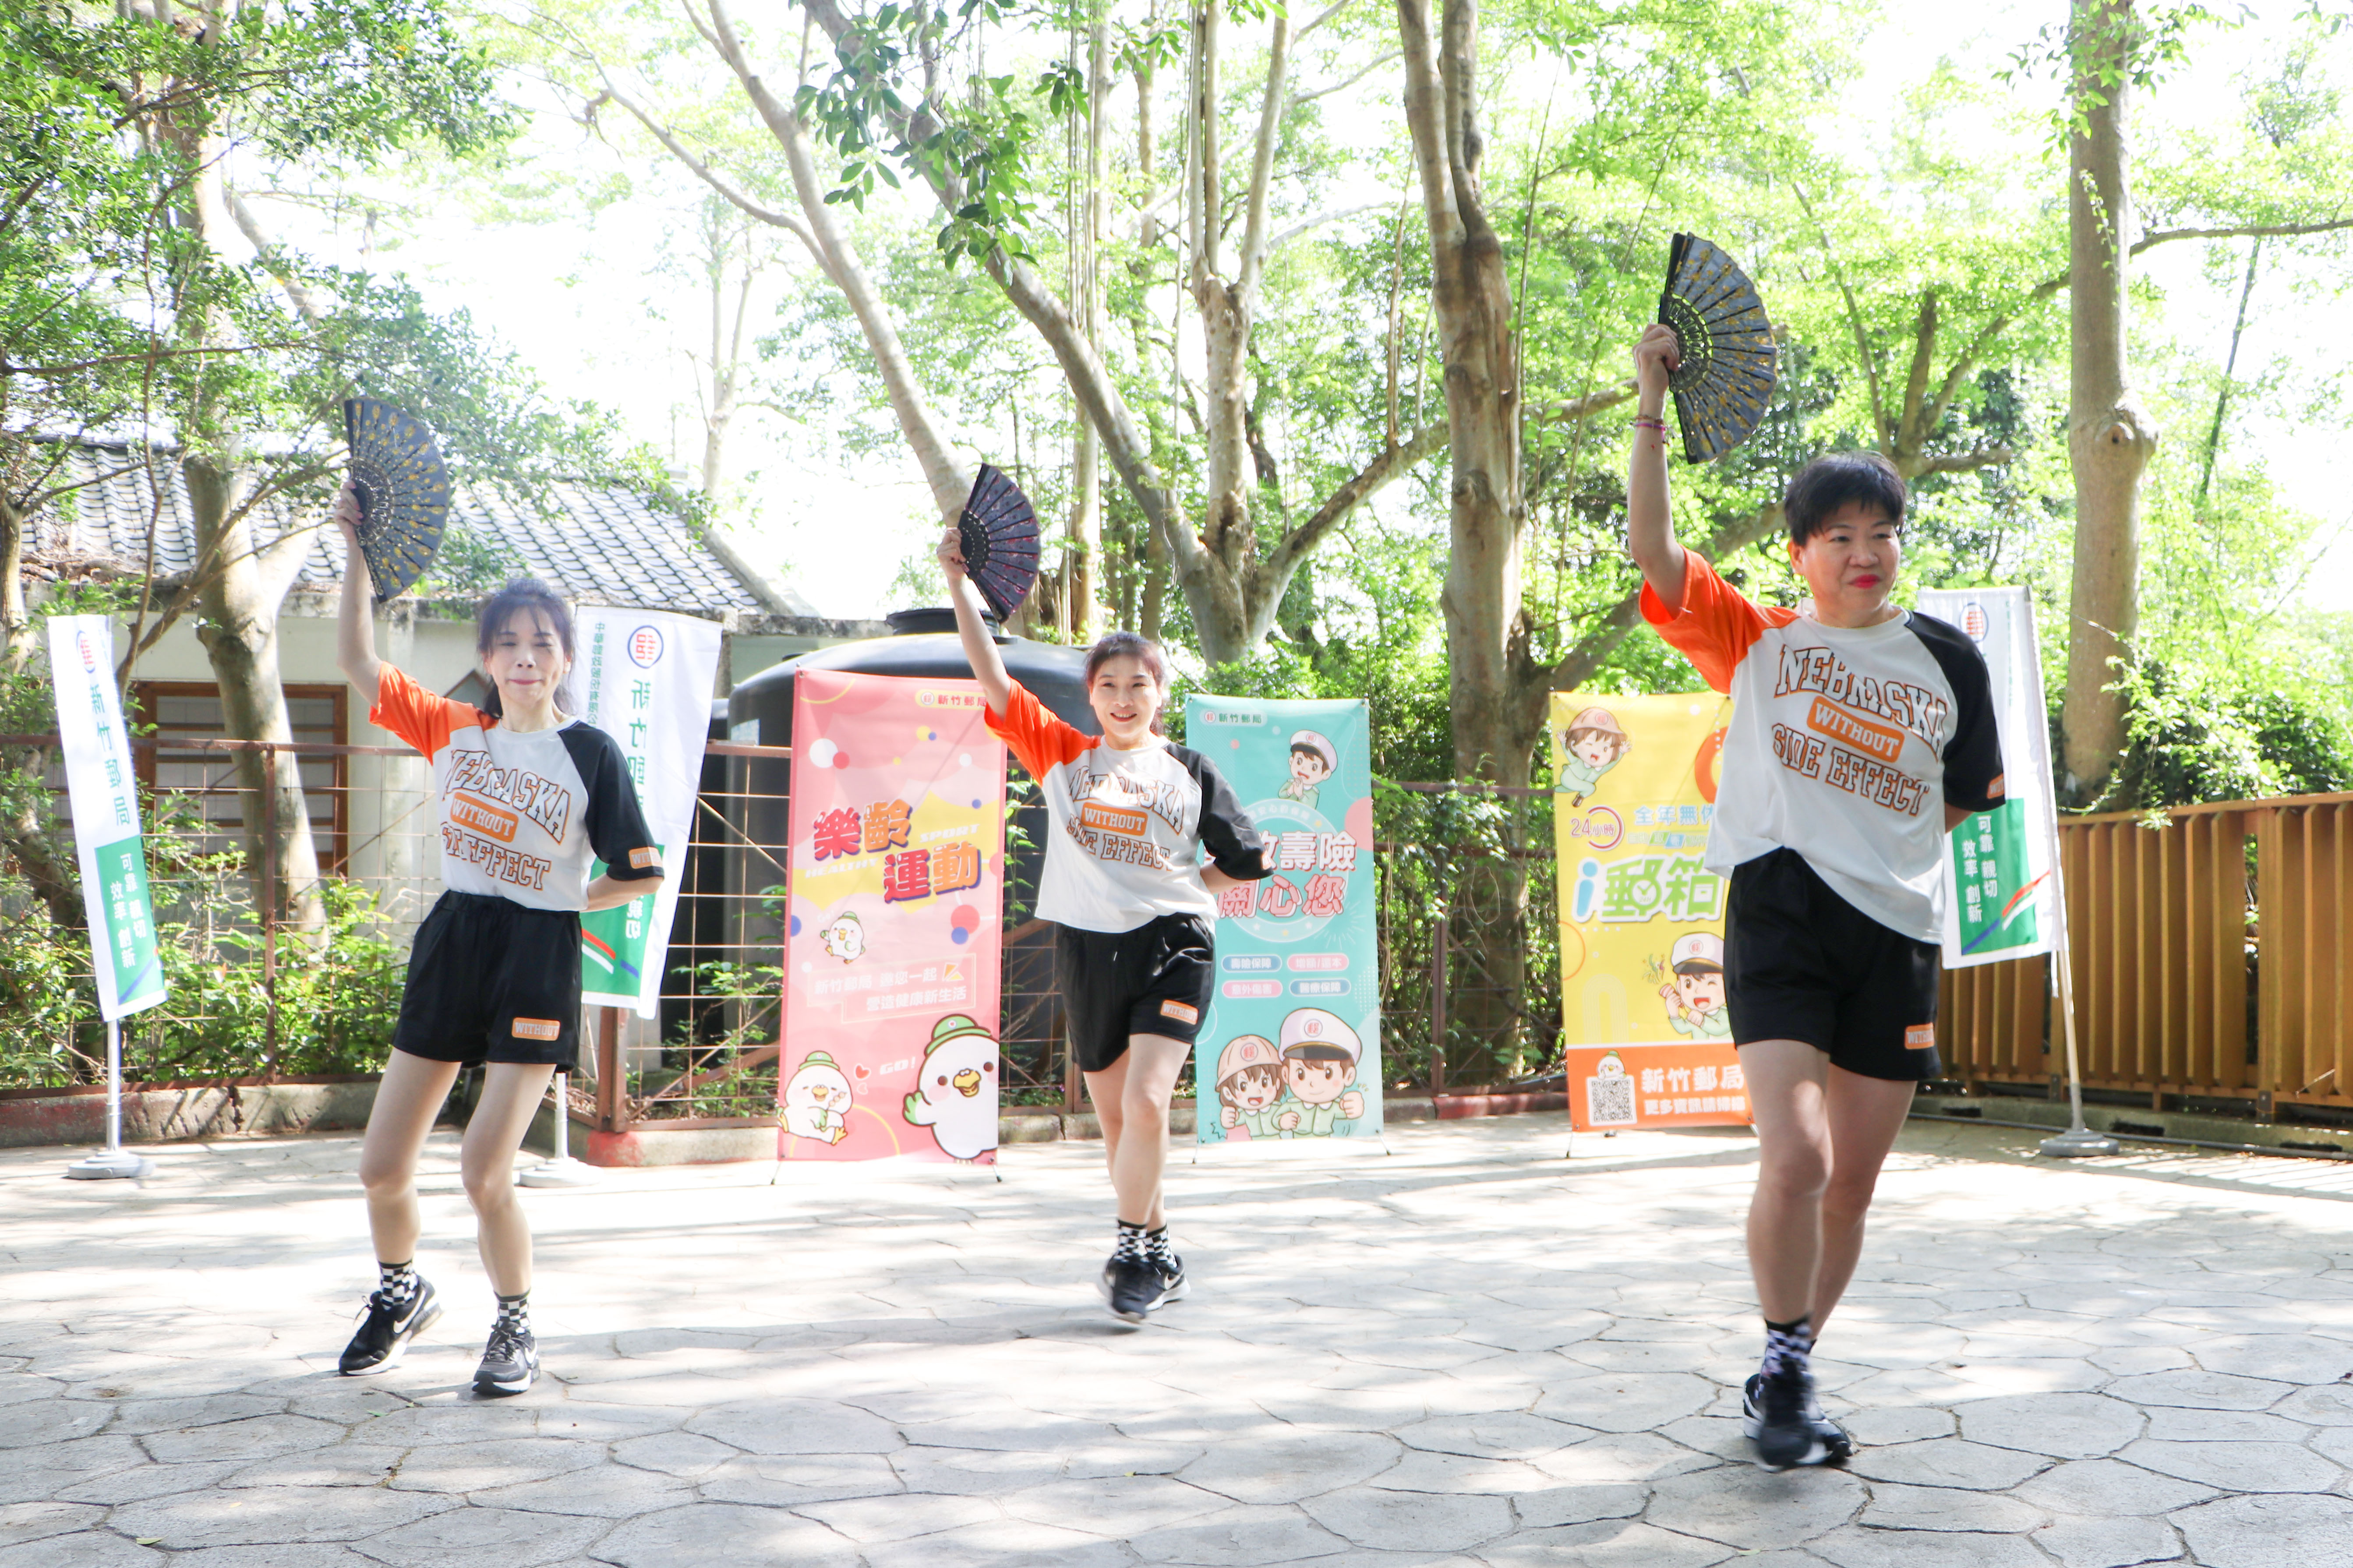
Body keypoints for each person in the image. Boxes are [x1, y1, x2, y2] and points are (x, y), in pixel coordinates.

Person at [1625, 324, 2004, 1469]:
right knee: (1791, 1160)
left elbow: (1957, 801)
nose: (1862, 551)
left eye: (1879, 531)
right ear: (1798, 553)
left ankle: (1785, 1359)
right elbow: (1651, 547)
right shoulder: (1759, 645)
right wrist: (1649, 401)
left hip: (1894, 936)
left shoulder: (1953, 662)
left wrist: (1876, 850)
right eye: (1836, 535)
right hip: (1779, 911)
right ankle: (1785, 1372)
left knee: (1849, 1184)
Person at [330, 481, 664, 1395]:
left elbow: (639, 869)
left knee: (485, 1169)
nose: (525, 656)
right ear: (485, 656)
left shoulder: (591, 751)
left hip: (535, 956)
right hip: (454, 939)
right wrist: (358, 546)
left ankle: (515, 1323)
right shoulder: (453, 728)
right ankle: (402, 1292)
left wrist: (563, 898)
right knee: (380, 1166)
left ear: (562, 658)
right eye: (508, 642)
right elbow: (355, 652)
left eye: (542, 642)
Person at [938, 528, 1269, 1323]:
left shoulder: (1190, 771)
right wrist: (959, 586)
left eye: (1139, 684)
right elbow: (992, 675)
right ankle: (1159, 1247)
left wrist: (1190, 888)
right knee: (1117, 1122)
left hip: (1177, 944)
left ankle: (1129, 1249)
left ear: (1160, 692)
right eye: (1109, 684)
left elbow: (1248, 859)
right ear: (1092, 695)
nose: (1124, 697)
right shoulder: (1062, 755)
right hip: (1088, 949)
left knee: (1150, 1104)